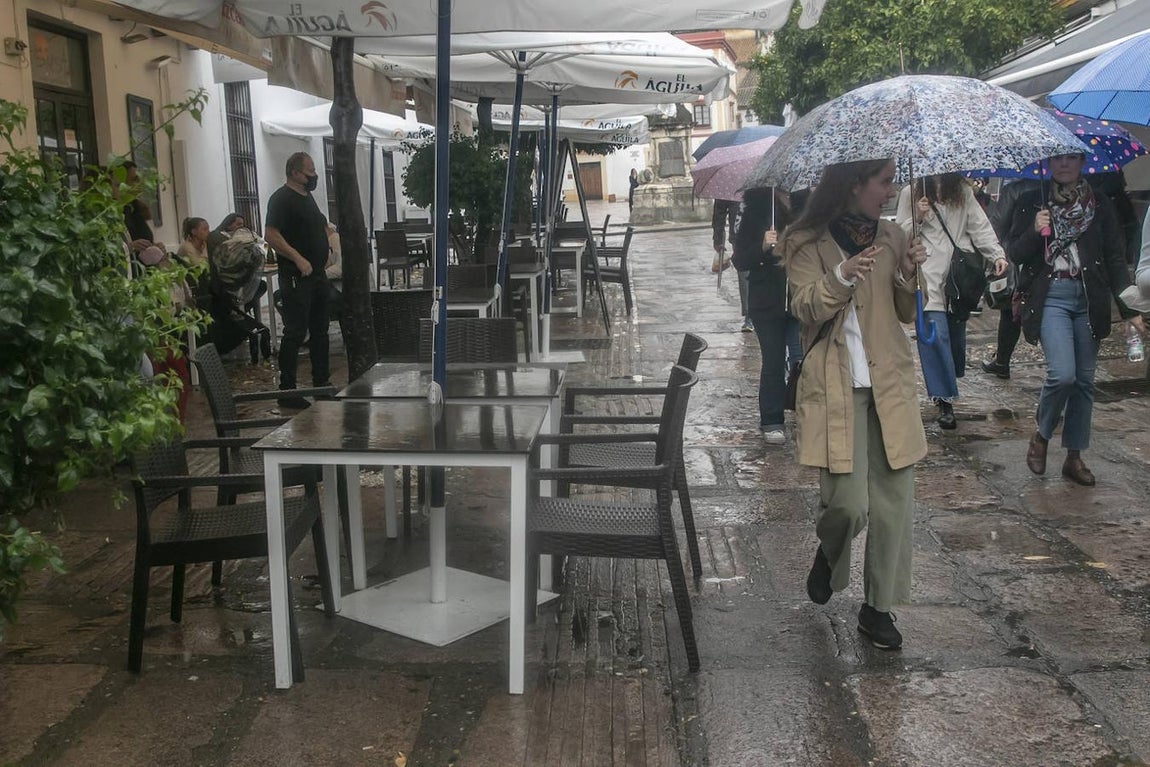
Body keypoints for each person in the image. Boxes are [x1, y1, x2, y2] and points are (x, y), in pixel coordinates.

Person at [780, 159, 927, 651]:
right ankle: (829, 549)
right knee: (848, 505)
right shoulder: (805, 241)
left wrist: (908, 273)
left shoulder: (893, 237)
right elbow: (803, 307)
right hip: (834, 385)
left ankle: (878, 608)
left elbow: (904, 312)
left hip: (890, 383)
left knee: (892, 507)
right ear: (854, 184)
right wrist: (841, 276)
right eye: (884, 183)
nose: (891, 192)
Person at [1007, 153, 1143, 486]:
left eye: (1071, 158)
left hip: (1089, 298)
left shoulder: (1100, 204)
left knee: (1084, 382)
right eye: (1057, 159)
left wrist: (1129, 309)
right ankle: (1041, 434)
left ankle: (1074, 456)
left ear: (1082, 162)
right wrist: (1035, 231)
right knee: (1062, 374)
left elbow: (1114, 256)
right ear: (1048, 164)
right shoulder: (1031, 200)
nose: (1064, 165)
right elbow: (1015, 254)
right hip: (1051, 295)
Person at [896, 174, 1008, 429]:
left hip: (959, 276)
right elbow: (900, 235)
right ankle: (944, 399)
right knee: (934, 337)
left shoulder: (961, 191)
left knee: (955, 338)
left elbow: (979, 226)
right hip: (926, 276)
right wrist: (918, 217)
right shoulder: (910, 192)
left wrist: (996, 254)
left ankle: (949, 376)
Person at [732, 187, 801, 446]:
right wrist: (763, 246)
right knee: (773, 362)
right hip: (767, 303)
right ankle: (772, 419)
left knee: (801, 359)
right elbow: (740, 260)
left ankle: (806, 411)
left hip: (798, 298)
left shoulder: (803, 205)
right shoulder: (756, 213)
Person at [265, 151, 332, 409]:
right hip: (297, 277)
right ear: (294, 173)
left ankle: (321, 383)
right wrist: (297, 258)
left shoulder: (308, 198)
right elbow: (271, 234)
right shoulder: (281, 199)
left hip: (317, 275)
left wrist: (328, 249)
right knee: (295, 331)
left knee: (320, 329)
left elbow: (319, 226)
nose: (313, 176)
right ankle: (288, 388)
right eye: (309, 172)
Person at [981, 178, 1042, 379]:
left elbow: (998, 225)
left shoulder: (1014, 189)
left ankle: (1002, 361)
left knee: (1010, 312)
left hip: (1020, 257)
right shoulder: (1053, 186)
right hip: (1043, 260)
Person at [136, 245, 194, 422]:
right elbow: (174, 309)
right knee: (177, 376)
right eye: (163, 260)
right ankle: (176, 422)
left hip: (157, 339)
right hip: (159, 340)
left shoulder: (161, 282)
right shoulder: (158, 286)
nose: (168, 262)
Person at [711, 198, 736, 274]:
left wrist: (718, 240)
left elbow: (719, 214)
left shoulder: (727, 189)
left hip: (738, 235)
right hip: (740, 237)